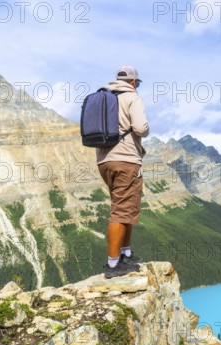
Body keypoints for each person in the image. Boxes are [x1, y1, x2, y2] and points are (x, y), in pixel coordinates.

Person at [97, 65, 149, 278]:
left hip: (104, 161)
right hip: (126, 159)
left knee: (124, 207)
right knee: (121, 211)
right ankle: (113, 265)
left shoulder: (104, 97)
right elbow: (140, 128)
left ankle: (126, 254)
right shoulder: (132, 97)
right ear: (134, 82)